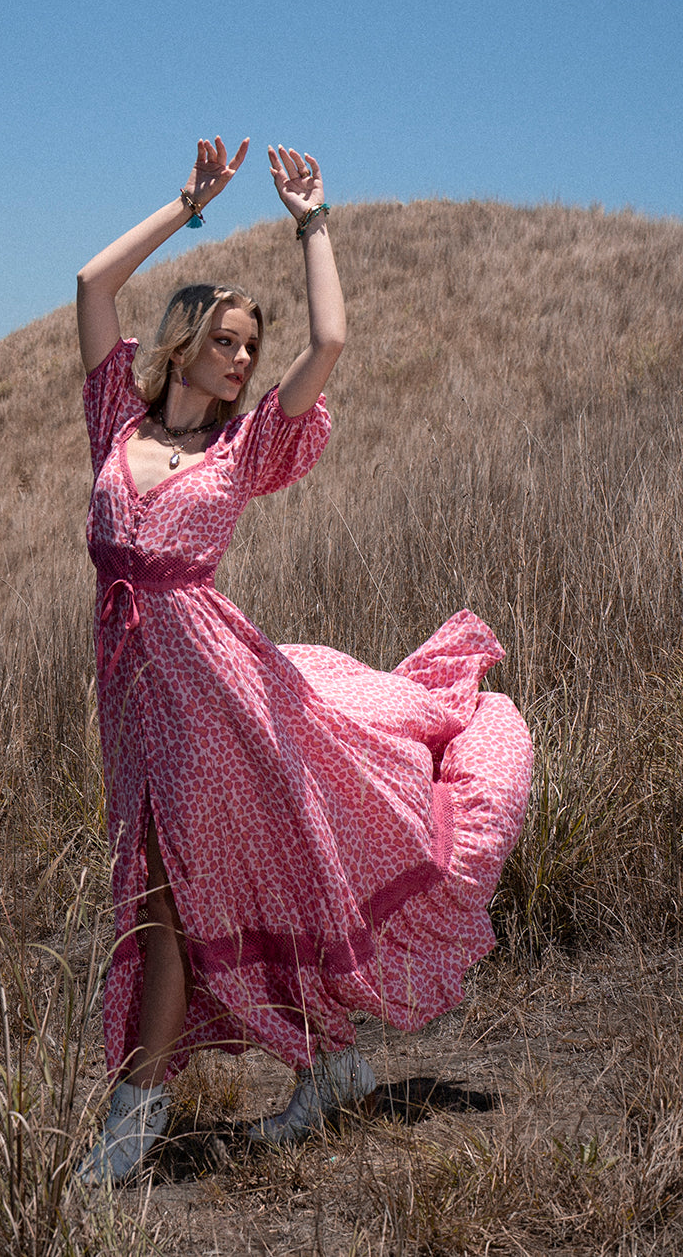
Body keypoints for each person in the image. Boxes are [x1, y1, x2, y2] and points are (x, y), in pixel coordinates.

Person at [75, 137, 532, 1184]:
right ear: (183, 341)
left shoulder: (242, 452)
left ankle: (130, 1127)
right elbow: (94, 282)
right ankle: (333, 1072)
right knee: (220, 886)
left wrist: (311, 220)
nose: (242, 359)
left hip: (215, 697)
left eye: (250, 345)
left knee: (175, 904)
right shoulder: (114, 421)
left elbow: (328, 341)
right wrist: (186, 206)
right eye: (228, 340)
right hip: (135, 702)